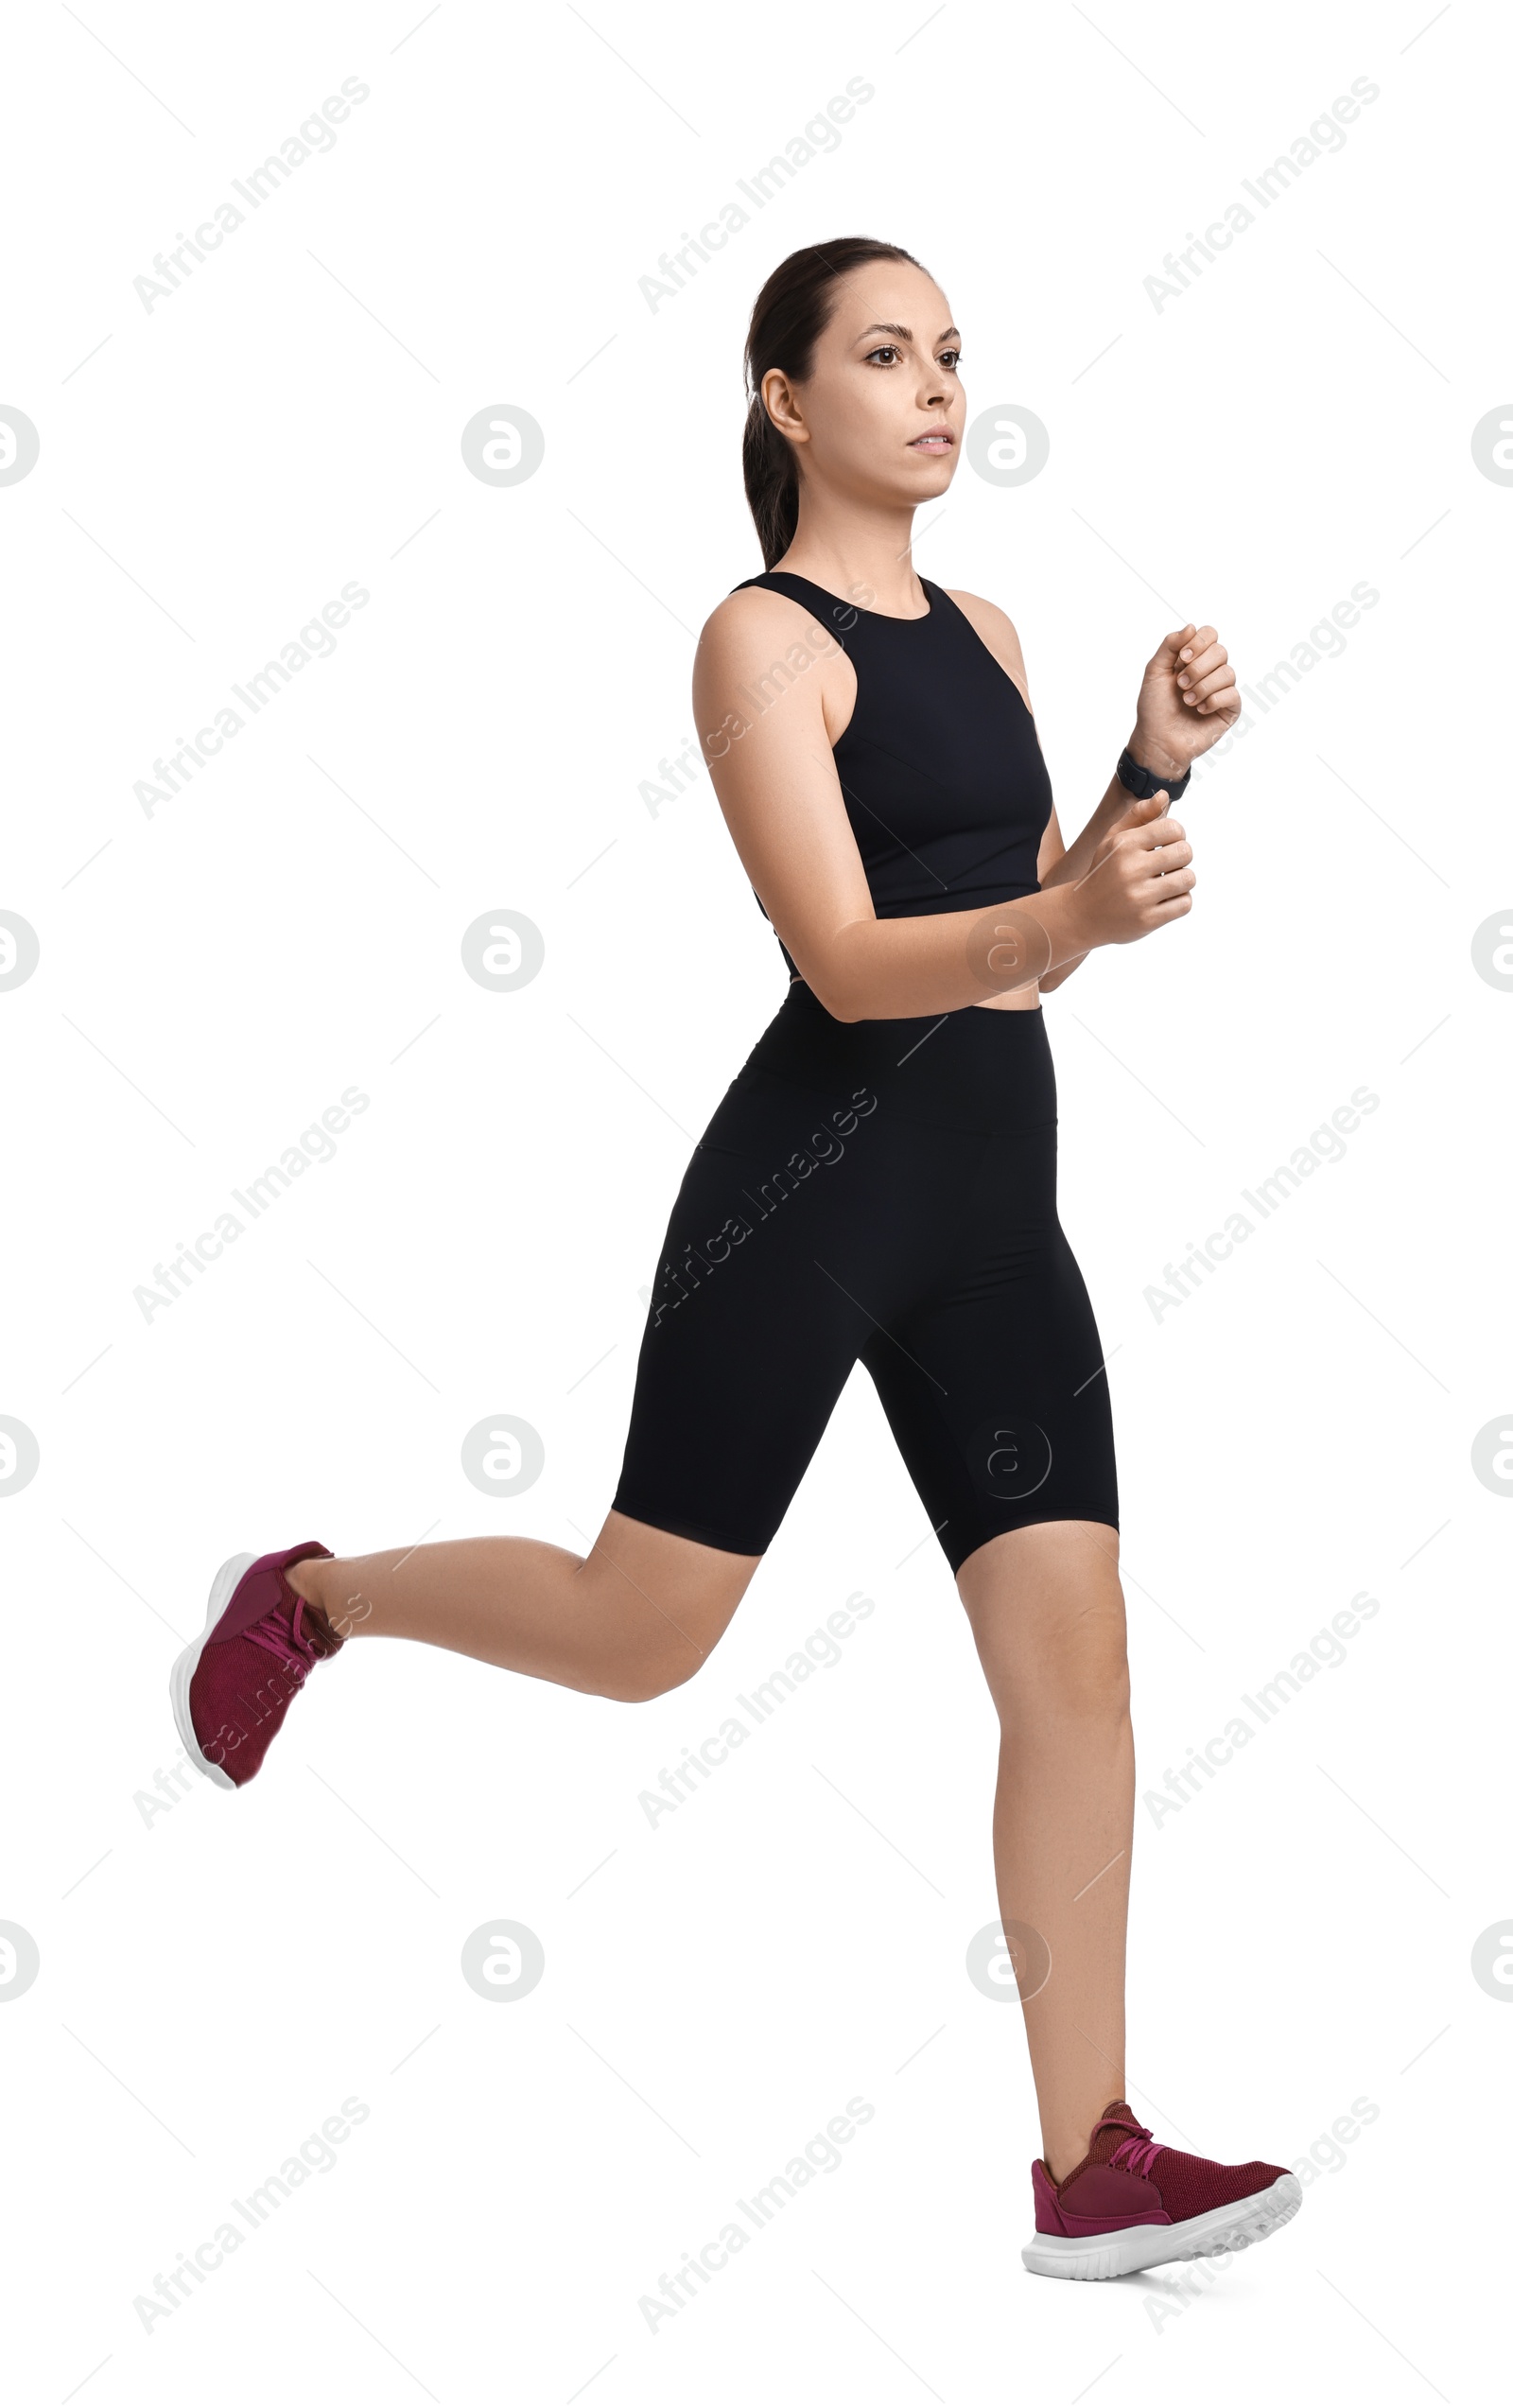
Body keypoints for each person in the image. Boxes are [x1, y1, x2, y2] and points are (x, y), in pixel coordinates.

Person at [170, 236, 1300, 2280]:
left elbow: (1021, 914)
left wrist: (1145, 770)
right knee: (641, 1633)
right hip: (810, 1192)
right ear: (786, 399)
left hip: (991, 1220)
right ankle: (314, 1595)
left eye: (952, 352)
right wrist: (1080, 924)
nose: (936, 385)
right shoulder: (757, 640)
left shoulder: (988, 622)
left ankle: (1087, 2159)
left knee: (1079, 1673)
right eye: (884, 354)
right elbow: (854, 963)